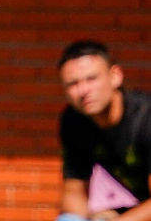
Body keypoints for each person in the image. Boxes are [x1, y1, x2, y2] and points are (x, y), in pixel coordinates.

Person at [56, 40, 150, 221]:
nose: (83, 90)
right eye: (73, 84)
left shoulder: (146, 118)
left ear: (115, 76)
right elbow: (74, 193)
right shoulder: (74, 120)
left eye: (91, 79)